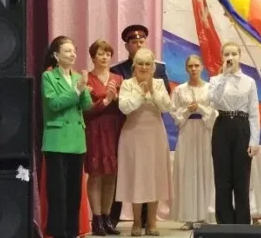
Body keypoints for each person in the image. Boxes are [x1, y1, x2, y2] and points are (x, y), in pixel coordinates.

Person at [109, 24, 171, 228]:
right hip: (133, 133)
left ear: (153, 67)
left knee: (155, 176)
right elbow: (125, 107)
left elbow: (166, 106)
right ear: (134, 66)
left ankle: (151, 222)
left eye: (147, 64)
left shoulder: (158, 82)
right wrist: (140, 94)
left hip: (154, 133)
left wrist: (152, 90)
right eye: (140, 64)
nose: (144, 67)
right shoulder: (127, 83)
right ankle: (136, 222)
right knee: (136, 176)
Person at [41, 36, 93, 238]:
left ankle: (72, 232)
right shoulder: (48, 77)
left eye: (74, 51)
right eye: (68, 51)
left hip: (77, 140)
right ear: (56, 55)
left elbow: (86, 106)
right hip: (57, 140)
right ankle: (58, 232)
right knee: (58, 192)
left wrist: (84, 90)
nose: (73, 55)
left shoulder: (77, 76)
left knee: (74, 192)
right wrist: (76, 90)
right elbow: (53, 104)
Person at [207, 42, 260, 225]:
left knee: (241, 177)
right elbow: (214, 100)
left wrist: (254, 140)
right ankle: (224, 222)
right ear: (222, 57)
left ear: (239, 56)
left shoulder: (249, 82)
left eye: (234, 54)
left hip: (242, 126)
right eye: (226, 54)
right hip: (222, 125)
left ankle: (242, 222)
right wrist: (224, 76)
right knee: (222, 177)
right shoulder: (215, 80)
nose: (230, 57)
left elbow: (254, 113)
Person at [83, 39, 125, 236]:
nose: (105, 57)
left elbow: (127, 106)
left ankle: (108, 218)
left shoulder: (118, 78)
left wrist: (117, 99)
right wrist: (106, 100)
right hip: (95, 128)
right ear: (93, 57)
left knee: (111, 174)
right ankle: (97, 219)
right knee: (96, 174)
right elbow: (86, 110)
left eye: (108, 54)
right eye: (100, 54)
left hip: (115, 128)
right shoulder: (87, 78)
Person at [170, 55, 217, 228]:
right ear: (186, 68)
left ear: (202, 67)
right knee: (188, 170)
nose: (194, 69)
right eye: (190, 66)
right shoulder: (179, 90)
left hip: (205, 131)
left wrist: (201, 108)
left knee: (206, 169)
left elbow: (215, 112)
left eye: (197, 65)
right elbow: (174, 113)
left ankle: (206, 214)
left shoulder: (211, 88)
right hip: (187, 131)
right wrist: (187, 110)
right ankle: (189, 216)